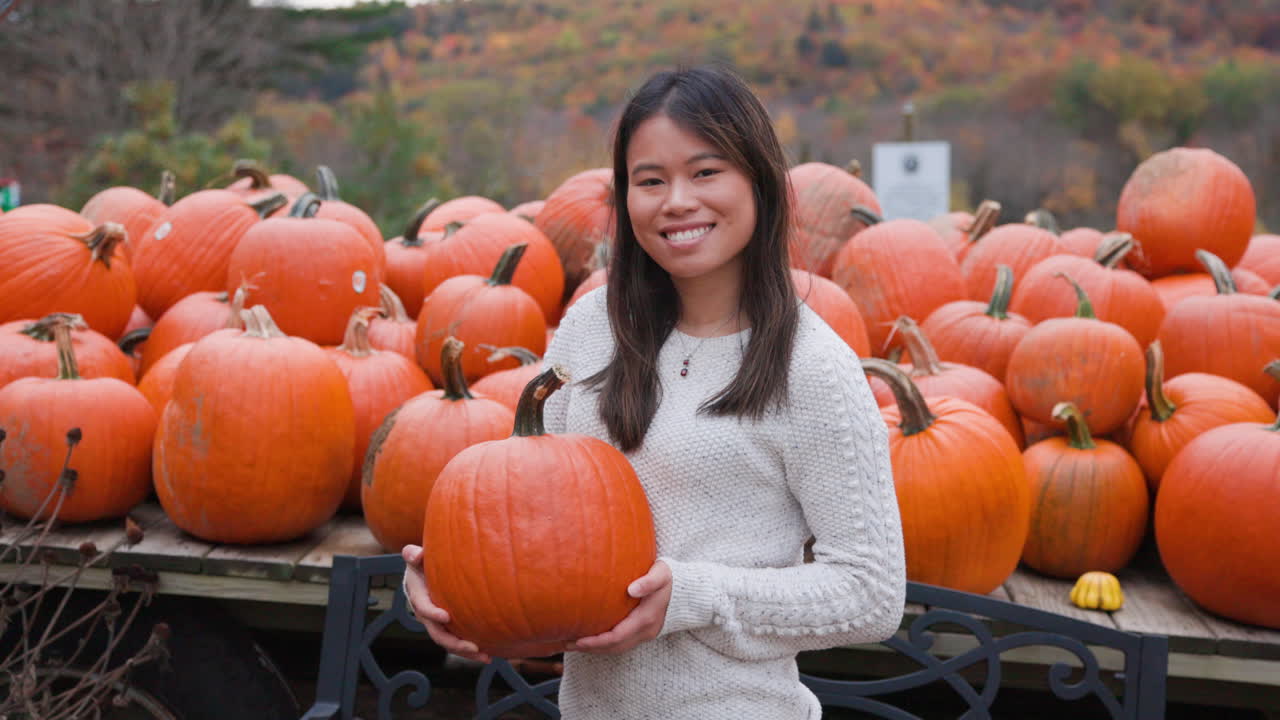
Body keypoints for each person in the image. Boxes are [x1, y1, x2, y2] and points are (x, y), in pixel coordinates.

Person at [401, 64, 905, 719]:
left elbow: (870, 593)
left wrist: (693, 597)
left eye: (705, 173)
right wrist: (451, 581)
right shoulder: (590, 328)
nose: (676, 202)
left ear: (759, 181)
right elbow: (522, 507)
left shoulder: (811, 367)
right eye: (650, 181)